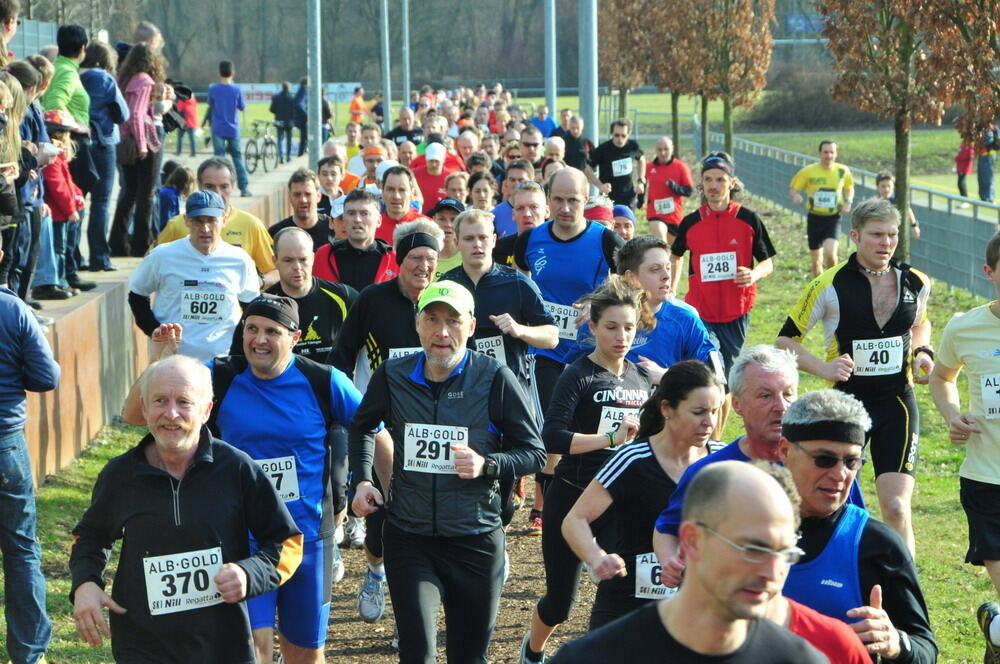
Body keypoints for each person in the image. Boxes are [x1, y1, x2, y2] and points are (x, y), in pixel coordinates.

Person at [349, 280, 547, 664]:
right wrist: (361, 479)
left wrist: (487, 465)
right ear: (417, 324)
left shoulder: (493, 378)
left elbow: (534, 453)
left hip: (475, 538)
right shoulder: (392, 375)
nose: (442, 332)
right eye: (433, 319)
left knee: (468, 658)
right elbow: (361, 425)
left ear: (471, 327)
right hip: (410, 536)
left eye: (453, 321)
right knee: (417, 654)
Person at [71, 355, 303, 663]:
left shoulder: (236, 468)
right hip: (142, 643)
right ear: (144, 407)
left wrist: (249, 574)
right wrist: (86, 583)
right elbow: (90, 536)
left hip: (223, 642)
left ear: (206, 410)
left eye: (184, 402)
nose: (171, 413)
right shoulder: (120, 475)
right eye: (159, 401)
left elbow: (287, 542)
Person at [549, 461, 826, 664]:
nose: (771, 572)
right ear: (692, 541)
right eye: (753, 549)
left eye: (785, 552)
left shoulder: (803, 659)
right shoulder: (595, 657)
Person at [776, 197, 932, 555]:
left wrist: (923, 352)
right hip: (848, 404)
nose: (886, 243)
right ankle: (841, 570)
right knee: (842, 503)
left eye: (892, 235)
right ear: (856, 236)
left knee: (895, 507)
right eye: (877, 235)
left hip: (897, 401)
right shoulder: (827, 285)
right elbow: (785, 340)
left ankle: (904, 588)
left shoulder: (916, 282)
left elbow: (921, 323)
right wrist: (824, 368)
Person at [520, 276, 654, 664]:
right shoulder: (576, 374)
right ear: (592, 327)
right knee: (561, 603)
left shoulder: (642, 377)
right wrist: (609, 439)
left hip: (621, 502)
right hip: (573, 498)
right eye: (611, 327)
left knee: (619, 585)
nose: (621, 336)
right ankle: (532, 651)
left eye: (629, 327)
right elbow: (553, 438)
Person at [330, 219, 445, 624]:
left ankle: (410, 614)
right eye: (416, 257)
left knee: (425, 520)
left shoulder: (443, 303)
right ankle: (375, 571)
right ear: (400, 261)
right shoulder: (373, 300)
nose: (424, 267)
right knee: (380, 516)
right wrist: (350, 409)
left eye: (431, 259)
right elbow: (342, 357)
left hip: (433, 427)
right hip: (381, 426)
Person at [562, 361, 724, 629]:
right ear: (667, 409)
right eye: (698, 412)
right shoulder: (632, 459)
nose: (709, 422)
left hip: (699, 609)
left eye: (715, 412)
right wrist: (597, 558)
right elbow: (575, 519)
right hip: (628, 606)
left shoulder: (723, 461)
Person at [779, 390, 938, 663]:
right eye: (824, 459)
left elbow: (925, 648)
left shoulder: (877, 544)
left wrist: (896, 642)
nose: (840, 474)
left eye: (852, 461)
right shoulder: (741, 527)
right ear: (784, 451)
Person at [514, 168, 623, 536]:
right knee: (553, 428)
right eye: (557, 200)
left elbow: (628, 284)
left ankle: (593, 501)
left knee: (589, 428)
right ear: (548, 200)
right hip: (547, 352)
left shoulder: (604, 239)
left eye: (573, 200)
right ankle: (545, 505)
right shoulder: (531, 240)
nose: (564, 207)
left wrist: (595, 302)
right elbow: (516, 278)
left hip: (591, 352)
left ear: (585, 200)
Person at [652, 345, 798, 586]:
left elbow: (854, 531)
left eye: (788, 394)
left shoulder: (823, 464)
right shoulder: (711, 472)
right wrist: (670, 562)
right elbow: (668, 527)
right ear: (738, 405)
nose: (781, 406)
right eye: (765, 395)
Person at [929, 230, 1000, 663]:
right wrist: (953, 416)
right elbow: (941, 377)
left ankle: (995, 628)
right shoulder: (965, 326)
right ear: (989, 272)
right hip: (987, 478)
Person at [0, 230, 59, 664]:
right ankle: (29, 654)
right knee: (20, 549)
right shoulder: (13, 310)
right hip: (5, 445)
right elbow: (46, 378)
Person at [670, 153, 775, 380]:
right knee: (705, 372)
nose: (713, 186)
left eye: (720, 179)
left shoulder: (749, 219)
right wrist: (671, 289)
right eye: (708, 179)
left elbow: (768, 263)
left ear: (732, 183)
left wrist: (753, 274)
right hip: (700, 309)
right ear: (701, 184)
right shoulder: (691, 222)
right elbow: (675, 255)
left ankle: (721, 416)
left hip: (735, 309)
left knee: (727, 375)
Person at [128, 189, 259, 362]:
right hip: (173, 361)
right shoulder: (162, 256)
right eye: (198, 221)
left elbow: (251, 308)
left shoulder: (240, 260)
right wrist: (154, 330)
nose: (205, 229)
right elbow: (137, 295)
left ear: (224, 220)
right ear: (186, 221)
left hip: (223, 360)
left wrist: (239, 349)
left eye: (212, 221)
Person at [443, 208, 557, 384]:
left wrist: (520, 329)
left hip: (508, 388)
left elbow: (552, 337)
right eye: (469, 239)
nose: (477, 245)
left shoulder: (518, 283)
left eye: (483, 238)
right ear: (457, 242)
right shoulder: (446, 286)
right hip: (459, 388)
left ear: (494, 240)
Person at [229, 227, 356, 362]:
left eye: (303, 260)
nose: (297, 267)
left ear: (313, 258)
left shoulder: (344, 297)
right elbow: (237, 361)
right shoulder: (260, 307)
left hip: (330, 382)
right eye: (288, 260)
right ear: (275, 261)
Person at [611, 236, 722, 385]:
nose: (666, 276)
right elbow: (573, 376)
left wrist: (665, 376)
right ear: (631, 277)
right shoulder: (602, 319)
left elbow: (715, 383)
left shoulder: (686, 320)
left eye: (668, 268)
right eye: (655, 269)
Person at [156, 156, 278, 287]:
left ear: (233, 186)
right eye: (210, 186)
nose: (217, 194)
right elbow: (152, 265)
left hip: (236, 306)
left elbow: (275, 271)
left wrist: (257, 283)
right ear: (199, 185)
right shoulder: (176, 225)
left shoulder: (251, 225)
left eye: (224, 187)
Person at [109, 42, 165, 257]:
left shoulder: (123, 79)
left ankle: (117, 242)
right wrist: (142, 143)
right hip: (143, 142)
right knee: (147, 194)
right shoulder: (145, 80)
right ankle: (142, 244)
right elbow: (137, 114)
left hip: (124, 141)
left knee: (129, 193)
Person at [79, 41, 128, 272]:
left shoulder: (74, 74)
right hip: (103, 142)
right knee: (100, 203)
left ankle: (72, 257)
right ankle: (99, 257)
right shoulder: (104, 78)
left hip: (78, 143)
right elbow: (122, 114)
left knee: (76, 200)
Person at [789, 140, 855, 277]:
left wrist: (848, 202)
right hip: (814, 218)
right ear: (820, 153)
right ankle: (818, 290)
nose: (828, 156)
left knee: (830, 254)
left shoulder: (842, 171)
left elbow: (849, 187)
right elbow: (794, 188)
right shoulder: (808, 171)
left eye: (832, 152)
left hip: (833, 218)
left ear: (836, 154)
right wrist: (795, 196)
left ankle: (833, 282)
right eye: (825, 152)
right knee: (816, 262)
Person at [313, 188, 397, 291]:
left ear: (378, 220)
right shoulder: (323, 256)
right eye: (351, 213)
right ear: (344, 219)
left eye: (364, 213)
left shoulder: (393, 259)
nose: (357, 219)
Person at [206, 60, 250, 198]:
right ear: (233, 73)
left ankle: (217, 188)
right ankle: (244, 188)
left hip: (218, 128)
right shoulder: (236, 90)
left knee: (218, 160)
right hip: (233, 129)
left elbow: (210, 104)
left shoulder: (213, 89)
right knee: (237, 158)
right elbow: (242, 107)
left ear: (219, 73)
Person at [585, 118, 645, 207]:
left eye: (623, 136)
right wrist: (600, 185)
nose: (619, 139)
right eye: (616, 135)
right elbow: (587, 168)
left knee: (627, 220)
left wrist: (641, 180)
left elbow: (641, 159)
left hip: (628, 196)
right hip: (608, 198)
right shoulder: (603, 149)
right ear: (611, 134)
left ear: (628, 134)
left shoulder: (632, 146)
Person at [644, 136, 693, 242]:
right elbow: (641, 184)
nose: (663, 153)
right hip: (655, 213)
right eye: (659, 149)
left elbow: (689, 191)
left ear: (672, 149)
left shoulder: (680, 167)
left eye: (666, 149)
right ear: (655, 150)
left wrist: (674, 187)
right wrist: (640, 199)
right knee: (661, 240)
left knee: (674, 253)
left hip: (674, 215)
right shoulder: (649, 167)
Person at [268, 168, 330, 250]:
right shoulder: (276, 233)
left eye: (308, 194)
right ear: (289, 197)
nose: (303, 200)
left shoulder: (334, 229)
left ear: (318, 196)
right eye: (297, 195)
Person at [378, 164, 429, 244]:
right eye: (390, 189)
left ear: (412, 192)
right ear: (382, 191)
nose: (396, 196)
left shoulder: (427, 227)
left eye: (402, 190)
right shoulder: (371, 227)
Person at [492, 158, 534, 237]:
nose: (516, 184)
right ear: (506, 182)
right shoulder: (495, 214)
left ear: (531, 181)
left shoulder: (540, 210)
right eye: (512, 180)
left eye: (521, 180)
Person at [875, 171, 919, 238]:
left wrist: (914, 226)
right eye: (883, 186)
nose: (886, 189)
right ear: (878, 187)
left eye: (889, 186)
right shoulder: (874, 203)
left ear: (893, 186)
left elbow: (907, 210)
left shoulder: (896, 201)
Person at [270, 81, 295, 163]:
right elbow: (294, 110)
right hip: (289, 121)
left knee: (280, 139)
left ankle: (281, 155)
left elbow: (272, 109)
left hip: (279, 120)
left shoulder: (277, 97)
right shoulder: (292, 97)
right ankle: (288, 156)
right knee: (289, 140)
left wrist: (277, 112)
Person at [173, 85, 198, 157]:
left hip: (183, 122)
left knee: (180, 138)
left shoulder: (182, 101)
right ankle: (193, 152)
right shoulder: (193, 101)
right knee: (192, 138)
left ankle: (178, 152)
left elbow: (180, 111)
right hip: (191, 122)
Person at [979, 121, 999, 203]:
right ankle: (983, 197)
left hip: (989, 155)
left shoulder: (993, 128)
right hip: (982, 154)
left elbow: (995, 142)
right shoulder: (982, 127)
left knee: (988, 177)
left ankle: (990, 197)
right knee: (981, 177)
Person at [955, 141, 974, 205]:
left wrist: (958, 158)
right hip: (960, 168)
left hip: (964, 168)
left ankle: (965, 200)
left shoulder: (969, 148)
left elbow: (969, 157)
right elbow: (959, 156)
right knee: (959, 184)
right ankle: (963, 200)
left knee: (961, 183)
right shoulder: (962, 148)